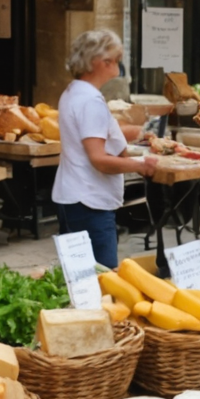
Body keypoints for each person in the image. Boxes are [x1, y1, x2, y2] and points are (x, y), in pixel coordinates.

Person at [54, 29, 157, 268]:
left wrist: (132, 141)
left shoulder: (73, 92)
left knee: (79, 279)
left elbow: (101, 139)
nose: (116, 64)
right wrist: (140, 166)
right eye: (112, 59)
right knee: (103, 280)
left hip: (73, 197)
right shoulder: (90, 100)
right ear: (96, 62)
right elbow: (98, 159)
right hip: (88, 202)